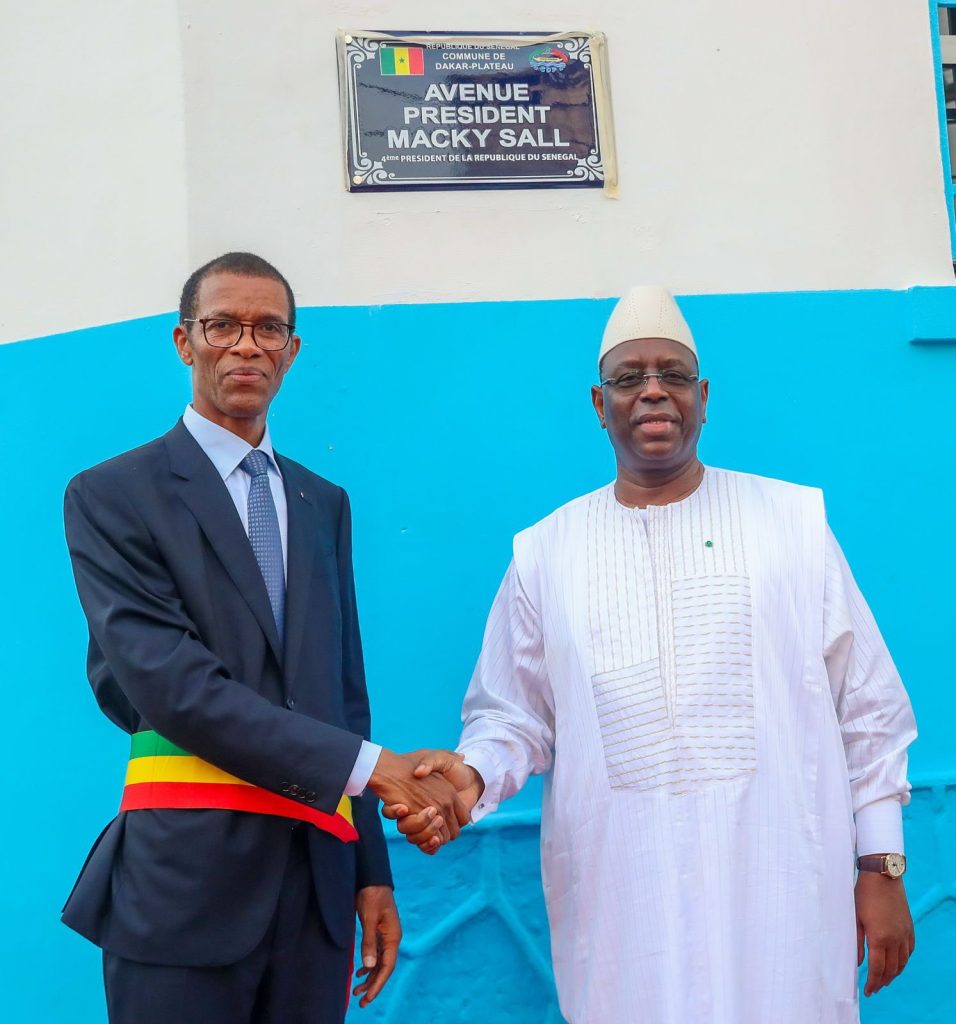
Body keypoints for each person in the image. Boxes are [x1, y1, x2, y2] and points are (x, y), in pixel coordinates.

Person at [387, 287, 918, 1024]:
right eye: (628, 378)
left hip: (784, 893)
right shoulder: (546, 553)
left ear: (702, 396)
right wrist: (470, 776)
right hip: (623, 905)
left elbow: (869, 709)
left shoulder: (793, 525)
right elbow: (514, 716)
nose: (652, 392)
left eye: (671, 374)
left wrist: (881, 867)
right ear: (598, 404)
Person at [62, 252, 468, 1024]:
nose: (246, 346)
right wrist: (380, 772)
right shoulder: (112, 495)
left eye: (269, 329)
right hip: (186, 886)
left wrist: (368, 873)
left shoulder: (323, 502)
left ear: (293, 350)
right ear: (185, 341)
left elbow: (344, 696)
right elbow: (172, 689)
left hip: (314, 887)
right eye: (223, 326)